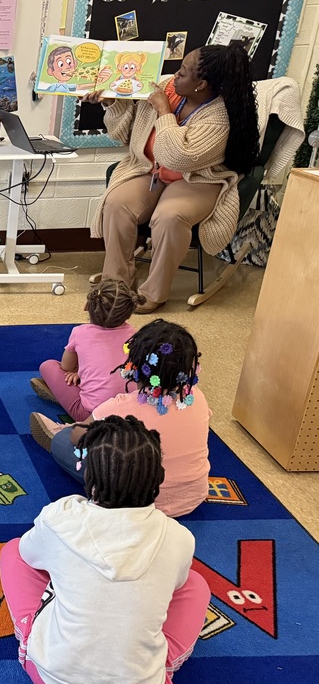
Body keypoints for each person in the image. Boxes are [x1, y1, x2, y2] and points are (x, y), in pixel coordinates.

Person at [0, 415, 210, 684]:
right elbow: (178, 585)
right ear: (158, 479)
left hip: (48, 677)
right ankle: (154, 665)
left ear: (89, 476)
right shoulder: (178, 537)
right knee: (195, 585)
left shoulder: (60, 517)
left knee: (13, 552)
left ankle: (40, 627)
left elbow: (27, 555)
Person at [85, 44, 260, 313]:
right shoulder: (166, 88)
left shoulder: (219, 116)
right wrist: (112, 102)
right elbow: (124, 134)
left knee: (169, 216)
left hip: (198, 179)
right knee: (117, 203)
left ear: (201, 84)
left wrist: (164, 113)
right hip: (150, 170)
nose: (174, 76)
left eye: (183, 72)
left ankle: (153, 293)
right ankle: (116, 285)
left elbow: (177, 157)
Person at [31, 319, 211, 518]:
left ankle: (60, 429)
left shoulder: (121, 405)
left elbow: (77, 438)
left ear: (134, 363)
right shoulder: (198, 397)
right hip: (193, 497)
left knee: (64, 440)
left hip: (134, 504)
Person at [31, 279, 142, 422]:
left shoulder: (80, 333)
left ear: (87, 306)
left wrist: (79, 371)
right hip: (132, 412)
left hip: (91, 415)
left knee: (48, 366)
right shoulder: (133, 333)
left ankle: (68, 419)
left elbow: (66, 367)